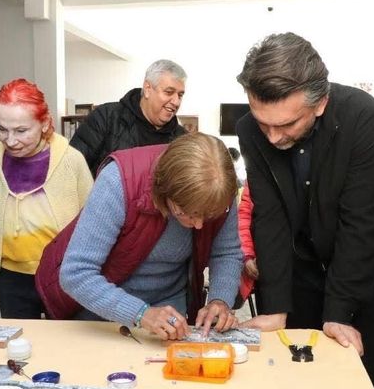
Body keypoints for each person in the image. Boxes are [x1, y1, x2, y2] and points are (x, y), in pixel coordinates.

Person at [235, 32, 374, 389]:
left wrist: (339, 311)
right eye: (264, 123)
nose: (273, 137)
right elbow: (270, 216)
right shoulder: (249, 129)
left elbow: (363, 223)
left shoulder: (363, 117)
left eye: (287, 124)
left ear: (320, 102)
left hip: (365, 278)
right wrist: (276, 305)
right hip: (300, 273)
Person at [37, 133, 242, 339]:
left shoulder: (219, 190)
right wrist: (141, 313)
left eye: (209, 216)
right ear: (165, 190)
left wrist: (220, 300)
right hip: (101, 311)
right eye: (187, 213)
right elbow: (76, 273)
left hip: (170, 307)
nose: (199, 225)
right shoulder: (119, 180)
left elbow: (226, 252)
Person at [0, 78, 93, 318]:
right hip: (11, 279)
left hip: (61, 275)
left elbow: (93, 223)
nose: (10, 140)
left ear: (45, 123)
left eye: (21, 131)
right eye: (2, 129)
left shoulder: (71, 161)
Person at [69, 59, 187, 174]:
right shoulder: (105, 118)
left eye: (180, 95)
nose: (176, 102)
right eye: (169, 92)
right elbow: (71, 170)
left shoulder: (183, 140)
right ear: (147, 89)